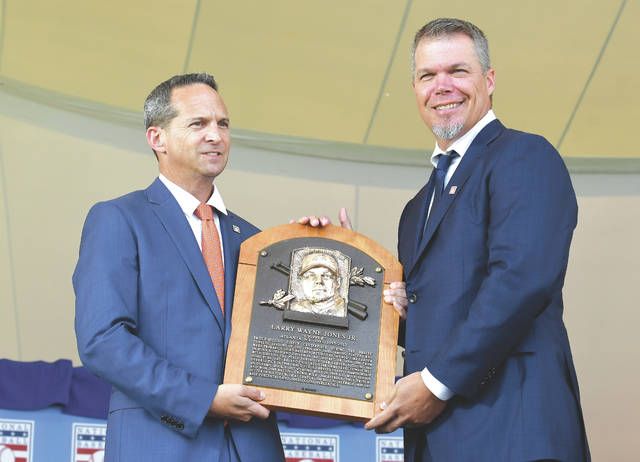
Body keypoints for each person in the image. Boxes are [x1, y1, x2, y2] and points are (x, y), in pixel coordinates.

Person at [302, 17, 590, 462]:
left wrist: (436, 383)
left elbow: (521, 280)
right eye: (427, 76)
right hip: (436, 443)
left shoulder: (525, 156)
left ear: (489, 80)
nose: (442, 86)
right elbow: (432, 322)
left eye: (458, 71)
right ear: (415, 90)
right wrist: (357, 278)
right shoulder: (417, 208)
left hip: (514, 434)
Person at [74, 73, 284, 462]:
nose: (215, 135)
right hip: (160, 445)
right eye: (198, 123)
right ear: (157, 138)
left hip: (252, 448)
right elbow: (103, 339)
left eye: (223, 123)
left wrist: (329, 254)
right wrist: (203, 399)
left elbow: (288, 343)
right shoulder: (119, 219)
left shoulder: (258, 243)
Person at [290, 251, 346, 317]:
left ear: (338, 282)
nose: (319, 281)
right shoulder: (294, 308)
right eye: (310, 276)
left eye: (326, 276)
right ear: (300, 281)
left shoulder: (343, 310)